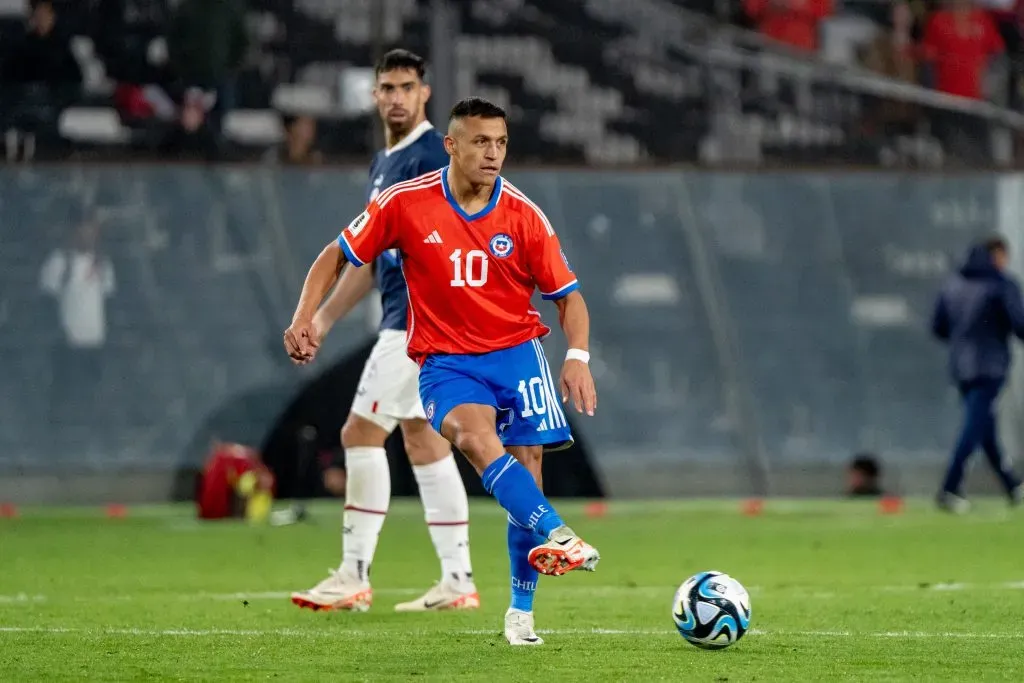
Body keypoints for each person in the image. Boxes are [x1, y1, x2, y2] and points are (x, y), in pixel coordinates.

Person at [284, 96, 600, 646]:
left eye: (501, 143)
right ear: (450, 145)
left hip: (517, 354)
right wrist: (305, 315)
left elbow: (567, 297)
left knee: (526, 471)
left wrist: (578, 356)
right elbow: (336, 253)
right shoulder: (404, 203)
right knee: (475, 441)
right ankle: (559, 533)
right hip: (446, 361)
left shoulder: (524, 215)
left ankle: (520, 616)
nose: (493, 154)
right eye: (481, 142)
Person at [289, 50, 479, 615]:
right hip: (416, 321)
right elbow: (370, 261)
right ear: (374, 96)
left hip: (419, 324)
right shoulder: (386, 162)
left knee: (359, 432)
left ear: (425, 93)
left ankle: (353, 575)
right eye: (386, 87)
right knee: (423, 439)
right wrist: (322, 318)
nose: (396, 96)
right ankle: (458, 579)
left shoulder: (427, 157)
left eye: (406, 86)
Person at [931, 237, 1024, 512]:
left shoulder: (953, 285)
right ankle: (950, 485)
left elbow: (938, 326)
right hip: (991, 365)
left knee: (984, 427)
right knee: (974, 427)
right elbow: (1019, 324)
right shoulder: (1001, 285)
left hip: (961, 366)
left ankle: (1012, 485)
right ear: (997, 255)